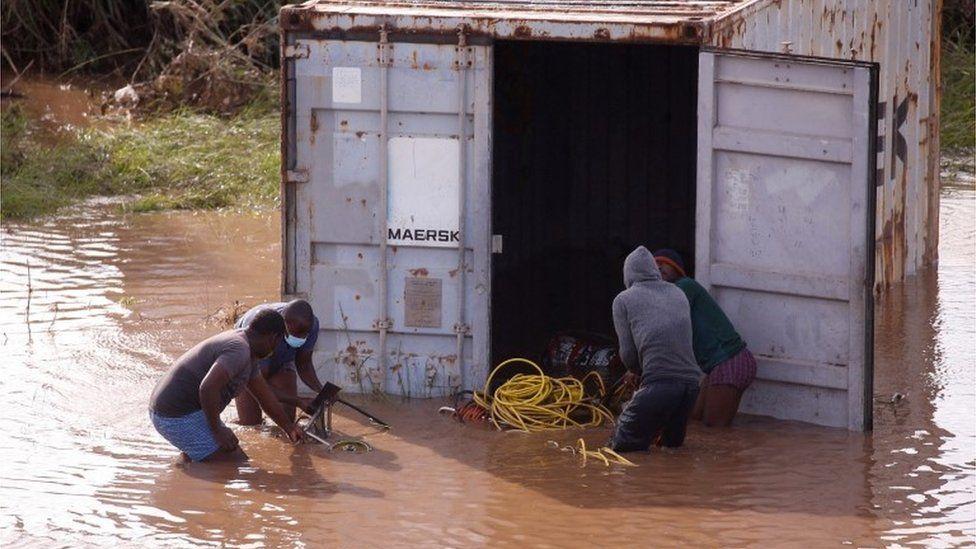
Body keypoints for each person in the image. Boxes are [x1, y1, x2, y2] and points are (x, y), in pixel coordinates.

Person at [149, 309, 303, 462]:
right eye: (278, 343)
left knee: (222, 458)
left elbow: (264, 396)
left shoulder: (248, 351)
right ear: (273, 338)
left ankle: (186, 469)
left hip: (181, 410)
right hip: (175, 415)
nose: (275, 350)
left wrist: (289, 427)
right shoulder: (239, 350)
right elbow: (207, 388)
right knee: (235, 466)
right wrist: (217, 430)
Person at [610, 246, 703, 452]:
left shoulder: (623, 300)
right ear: (654, 271)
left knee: (620, 447)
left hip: (660, 385)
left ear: (628, 275)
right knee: (671, 450)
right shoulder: (678, 293)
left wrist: (635, 371)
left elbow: (628, 353)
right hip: (691, 388)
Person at [653, 249, 757, 427]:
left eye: (664, 263)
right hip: (718, 366)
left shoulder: (685, 286)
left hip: (729, 361)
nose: (659, 266)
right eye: (655, 265)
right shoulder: (669, 296)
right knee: (695, 419)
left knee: (713, 430)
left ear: (677, 269)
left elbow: (663, 325)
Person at [234, 300, 324, 425]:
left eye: (303, 335)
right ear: (282, 327)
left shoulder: (312, 325)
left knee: (288, 420)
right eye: (294, 334)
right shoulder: (264, 329)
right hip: (250, 361)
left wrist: (322, 391)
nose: (299, 338)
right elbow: (260, 386)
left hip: (282, 360)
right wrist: (298, 401)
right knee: (250, 424)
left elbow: (304, 364)